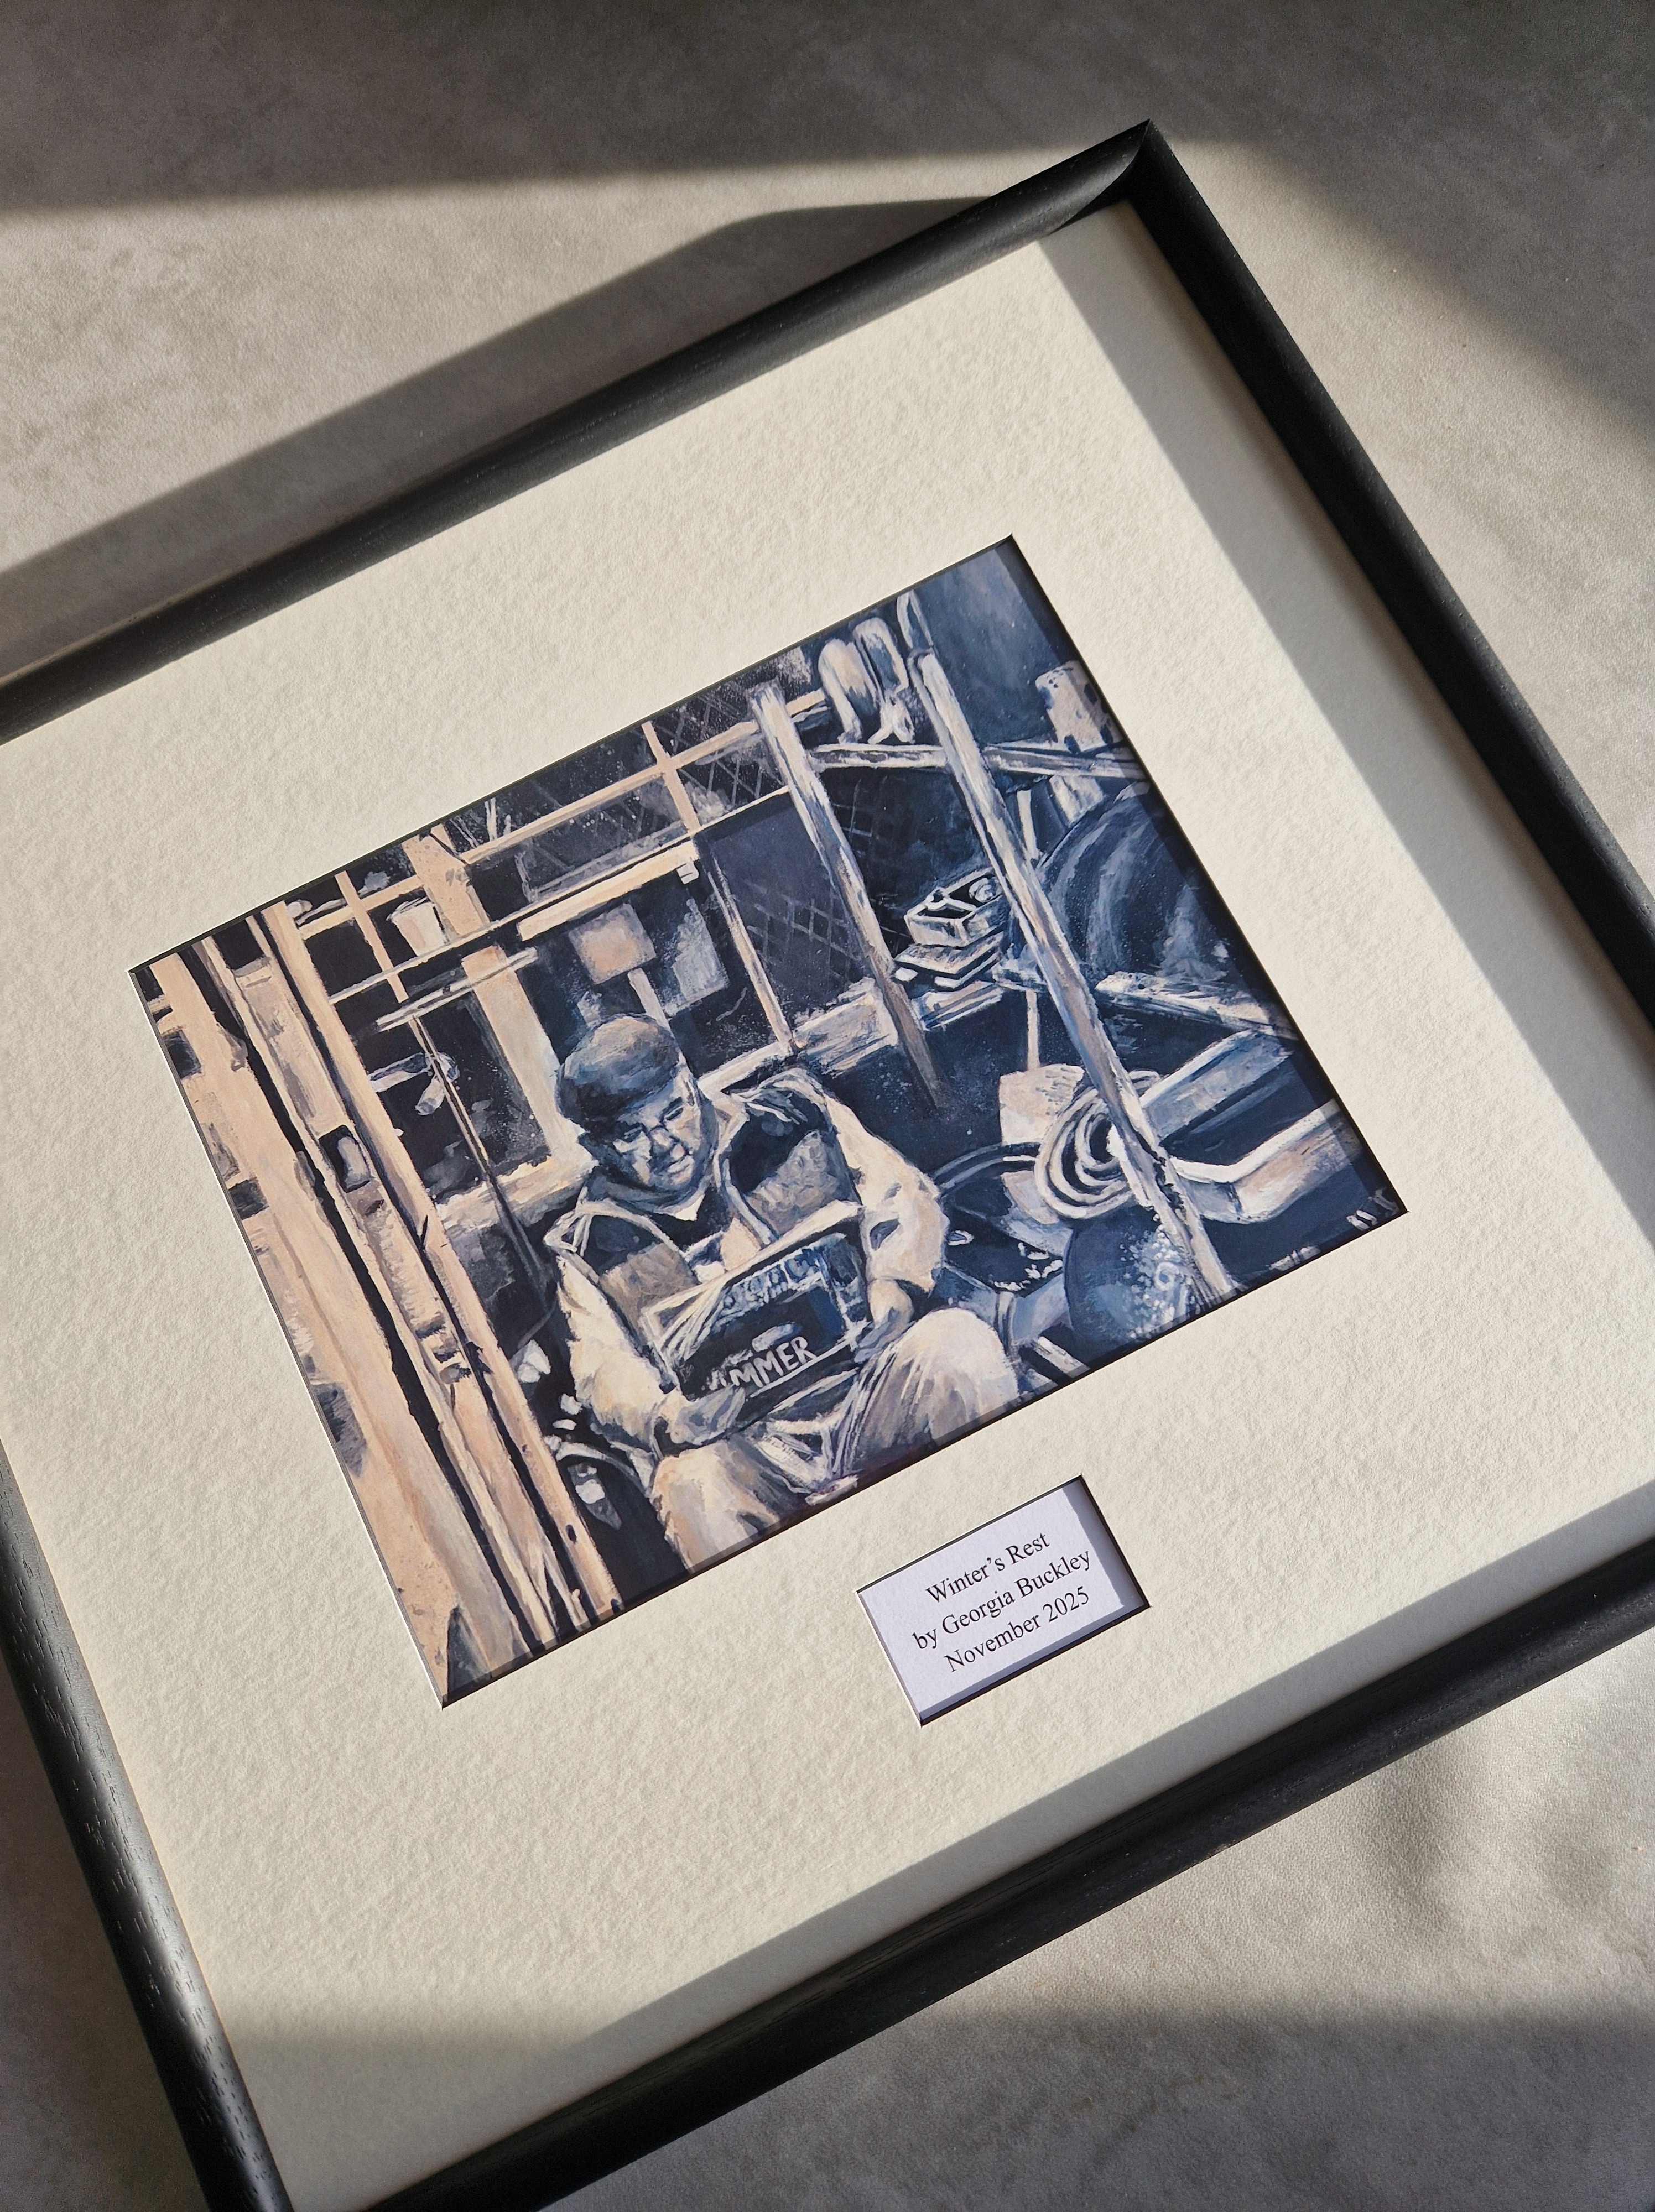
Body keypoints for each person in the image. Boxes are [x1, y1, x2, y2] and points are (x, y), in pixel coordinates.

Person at [547, 1017, 1019, 1571]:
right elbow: (603, 1370)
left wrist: (895, 1284)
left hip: (869, 1384)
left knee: (959, 1348)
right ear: (597, 1147)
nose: (665, 1144)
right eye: (632, 1134)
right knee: (689, 1487)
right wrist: (669, 1416)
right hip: (752, 1443)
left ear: (690, 1083)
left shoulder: (792, 1116)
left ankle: (1009, 1531)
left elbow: (903, 1197)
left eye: (674, 1111)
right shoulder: (586, 1243)